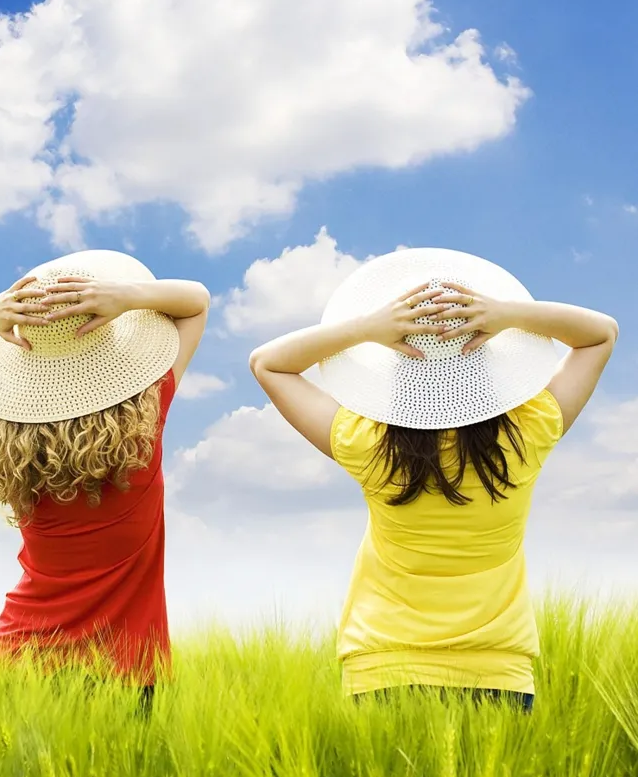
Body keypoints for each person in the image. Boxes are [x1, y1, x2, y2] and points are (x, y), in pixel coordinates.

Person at [249, 247, 619, 711]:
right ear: (487, 364)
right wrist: (506, 314)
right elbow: (601, 335)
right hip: (498, 671)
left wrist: (365, 329)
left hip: (383, 668)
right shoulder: (530, 432)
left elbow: (268, 363)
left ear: (399, 371)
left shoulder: (367, 443)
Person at [0, 249, 210, 710]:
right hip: (125, 669)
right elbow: (196, 301)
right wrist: (124, 298)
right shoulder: (144, 424)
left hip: (17, 662)